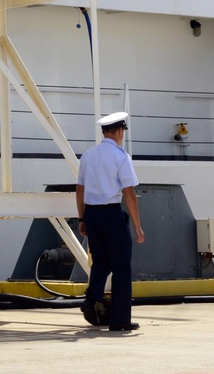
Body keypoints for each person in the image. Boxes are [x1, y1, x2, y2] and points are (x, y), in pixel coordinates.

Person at [77, 111, 145, 332]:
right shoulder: (120, 156)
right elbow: (129, 193)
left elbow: (80, 189)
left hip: (92, 215)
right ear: (120, 131)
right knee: (121, 267)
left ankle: (92, 296)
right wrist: (137, 225)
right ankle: (120, 319)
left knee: (101, 262)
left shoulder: (88, 155)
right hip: (112, 215)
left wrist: (82, 217)